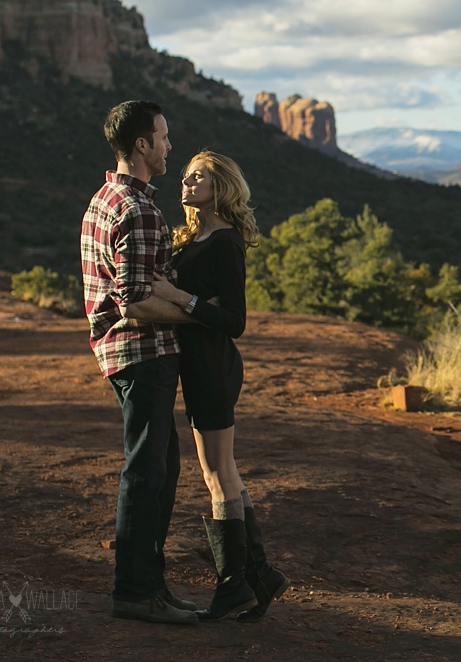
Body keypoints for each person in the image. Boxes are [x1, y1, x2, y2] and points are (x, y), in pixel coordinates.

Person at [151, 151, 289, 622]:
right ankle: (259, 575)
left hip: (212, 366)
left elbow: (234, 320)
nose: (187, 182)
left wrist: (179, 297)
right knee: (221, 470)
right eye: (187, 175)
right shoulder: (194, 235)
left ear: (221, 185)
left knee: (217, 473)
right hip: (198, 364)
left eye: (199, 177)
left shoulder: (226, 241)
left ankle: (235, 585)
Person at [80, 100, 198, 625]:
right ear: (142, 145)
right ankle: (133, 591)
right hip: (143, 351)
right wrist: (201, 319)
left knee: (161, 466)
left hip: (121, 353)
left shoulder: (104, 198)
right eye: (164, 137)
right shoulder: (140, 210)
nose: (170, 145)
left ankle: (152, 584)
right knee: (146, 471)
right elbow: (136, 302)